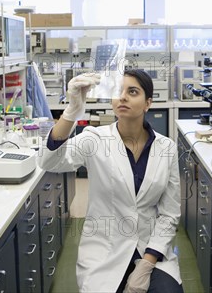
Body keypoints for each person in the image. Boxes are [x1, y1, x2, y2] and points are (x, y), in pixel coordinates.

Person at [38, 69, 183, 293]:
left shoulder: (166, 148)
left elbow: (169, 214)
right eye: (118, 91)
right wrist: (72, 111)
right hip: (103, 251)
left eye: (132, 92)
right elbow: (51, 162)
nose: (123, 97)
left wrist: (147, 262)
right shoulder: (94, 138)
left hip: (150, 248)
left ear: (148, 103)